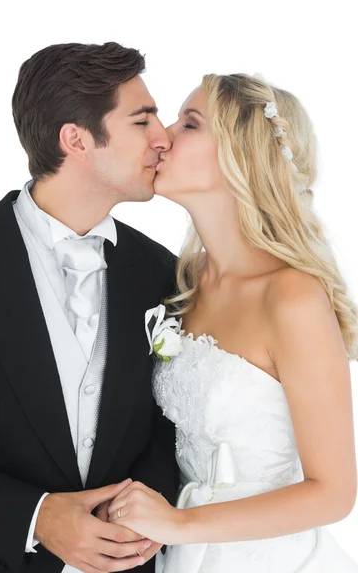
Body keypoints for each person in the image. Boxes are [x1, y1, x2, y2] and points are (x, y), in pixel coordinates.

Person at [107, 73, 358, 572]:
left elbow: (334, 494)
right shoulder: (180, 284)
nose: (163, 136)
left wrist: (180, 525)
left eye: (190, 123)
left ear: (241, 157)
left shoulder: (292, 298)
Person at [0, 42, 179, 573]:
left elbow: (170, 426)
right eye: (142, 119)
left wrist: (139, 515)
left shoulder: (163, 273)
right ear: (75, 139)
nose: (163, 137)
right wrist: (32, 518)